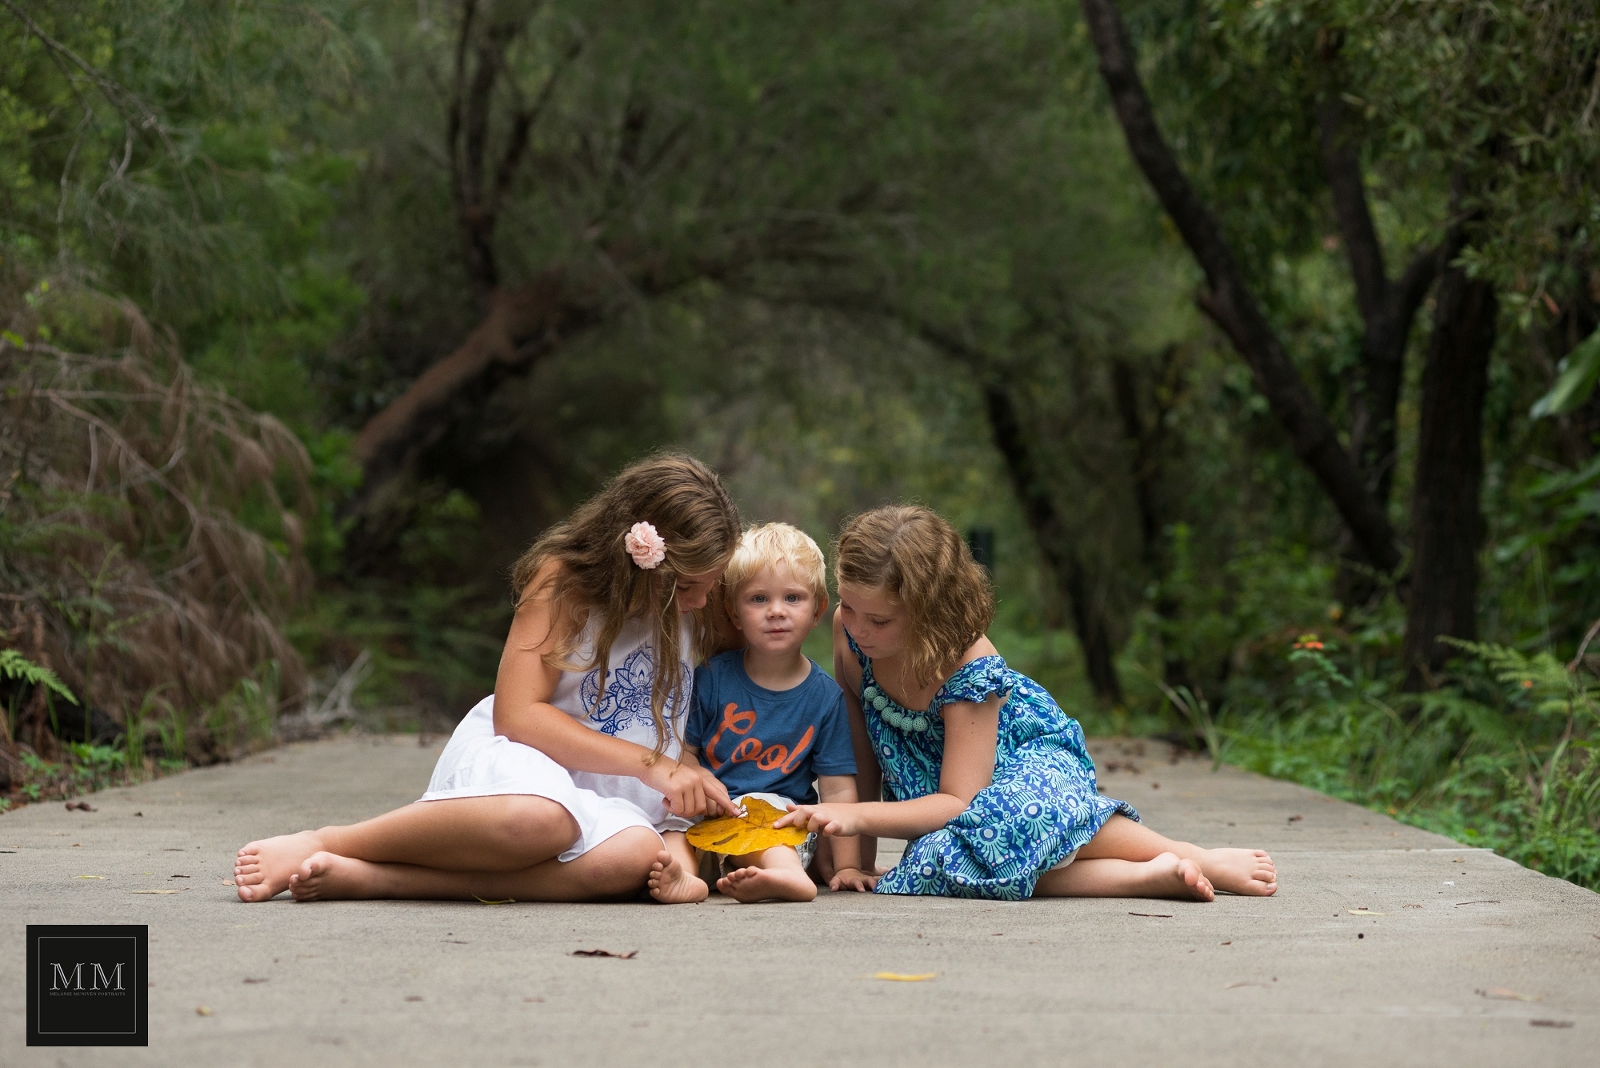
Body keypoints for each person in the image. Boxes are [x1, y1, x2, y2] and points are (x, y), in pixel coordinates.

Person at [232, 454, 743, 905]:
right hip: (528, 761)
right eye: (688, 587)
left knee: (635, 859)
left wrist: (689, 766)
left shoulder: (700, 600)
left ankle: (377, 879)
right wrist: (654, 765)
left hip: (622, 789)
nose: (701, 601)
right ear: (639, 562)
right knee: (541, 820)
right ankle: (331, 841)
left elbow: (747, 671)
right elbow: (517, 716)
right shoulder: (562, 582)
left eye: (710, 584)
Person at [777, 505, 1279, 901]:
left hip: (1021, 762)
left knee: (999, 826)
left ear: (929, 610)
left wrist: (860, 817)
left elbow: (960, 801)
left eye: (880, 620)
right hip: (951, 795)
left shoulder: (967, 663)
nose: (858, 628)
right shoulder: (853, 630)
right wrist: (854, 863)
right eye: (849, 606)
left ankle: (1186, 854)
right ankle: (1146, 878)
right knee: (940, 864)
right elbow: (860, 743)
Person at [683, 523, 872, 902]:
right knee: (672, 839)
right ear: (734, 614)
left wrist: (848, 865)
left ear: (818, 610)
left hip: (782, 823)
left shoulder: (824, 697)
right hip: (711, 819)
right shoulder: (712, 678)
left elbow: (838, 789)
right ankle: (683, 879)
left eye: (792, 598)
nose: (775, 612)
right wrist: (698, 774)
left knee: (771, 832)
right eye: (757, 599)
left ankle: (787, 877)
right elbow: (683, 753)